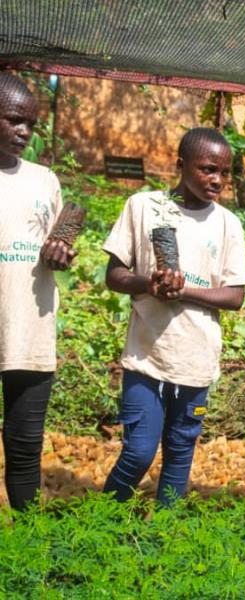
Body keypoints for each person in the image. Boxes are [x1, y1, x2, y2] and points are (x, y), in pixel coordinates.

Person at [101, 127, 245, 505]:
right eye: (208, 169)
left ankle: (164, 538)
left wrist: (183, 290)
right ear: (181, 165)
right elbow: (114, 276)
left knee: (181, 449)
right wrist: (148, 284)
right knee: (138, 451)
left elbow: (234, 296)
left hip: (196, 359)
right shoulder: (144, 207)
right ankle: (102, 521)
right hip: (146, 357)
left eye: (225, 172)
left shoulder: (227, 224)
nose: (217, 180)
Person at [0, 73, 77, 509]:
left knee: (26, 446)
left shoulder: (44, 179)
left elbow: (56, 245)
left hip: (29, 330)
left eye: (30, 123)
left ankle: (25, 546)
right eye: (14, 120)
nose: (24, 132)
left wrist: (61, 253)